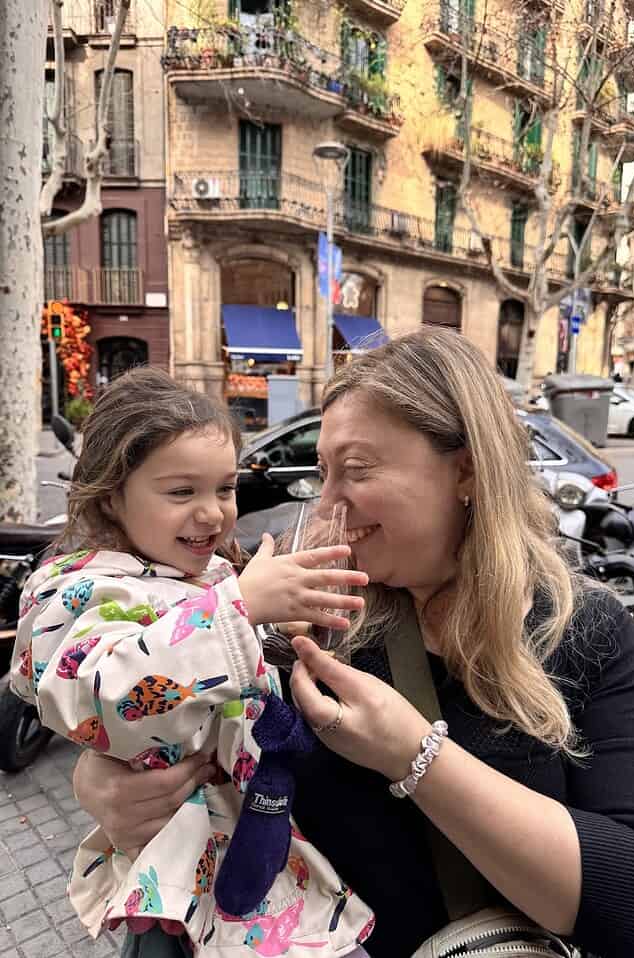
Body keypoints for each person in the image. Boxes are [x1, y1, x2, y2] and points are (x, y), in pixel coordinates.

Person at [72, 330, 634, 958]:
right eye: (323, 474)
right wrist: (104, 781)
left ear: (466, 469)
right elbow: (189, 715)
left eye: (357, 471)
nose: (329, 502)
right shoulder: (311, 618)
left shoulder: (588, 632)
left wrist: (414, 755)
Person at [11, 368, 374, 958]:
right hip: (180, 879)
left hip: (252, 851)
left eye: (225, 489)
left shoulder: (204, 575)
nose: (212, 514)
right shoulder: (80, 590)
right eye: (182, 492)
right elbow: (101, 697)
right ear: (111, 495)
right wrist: (238, 613)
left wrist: (275, 629)